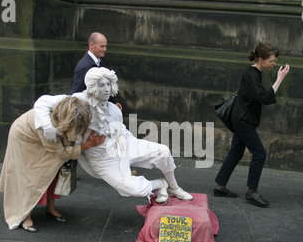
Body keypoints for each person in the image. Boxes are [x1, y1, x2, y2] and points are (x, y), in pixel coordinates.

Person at [34, 67, 193, 204]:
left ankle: (174, 187)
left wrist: (134, 145)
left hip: (123, 144)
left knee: (163, 151)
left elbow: (122, 132)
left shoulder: (113, 109)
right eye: (102, 85)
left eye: (109, 84)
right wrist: (47, 126)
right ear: (92, 86)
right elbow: (42, 102)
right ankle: (161, 184)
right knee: (134, 189)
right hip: (102, 157)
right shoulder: (79, 100)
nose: (106, 89)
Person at [0, 96, 105, 232]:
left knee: (53, 171)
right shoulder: (46, 127)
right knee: (29, 176)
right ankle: (25, 215)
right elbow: (61, 153)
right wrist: (86, 145)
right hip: (25, 140)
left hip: (43, 137)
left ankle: (50, 207)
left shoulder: (72, 105)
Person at [213, 43, 290, 207]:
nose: (273, 64)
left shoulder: (254, 73)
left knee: (236, 152)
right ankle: (252, 192)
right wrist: (280, 79)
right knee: (260, 153)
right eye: (271, 61)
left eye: (275, 61)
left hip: (241, 118)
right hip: (243, 120)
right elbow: (263, 97)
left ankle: (220, 186)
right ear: (261, 59)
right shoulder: (252, 74)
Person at [72, 32, 122, 110]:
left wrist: (113, 102)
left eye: (105, 46)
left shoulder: (97, 62)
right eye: (102, 46)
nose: (105, 49)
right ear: (91, 45)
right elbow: (77, 92)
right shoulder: (84, 66)